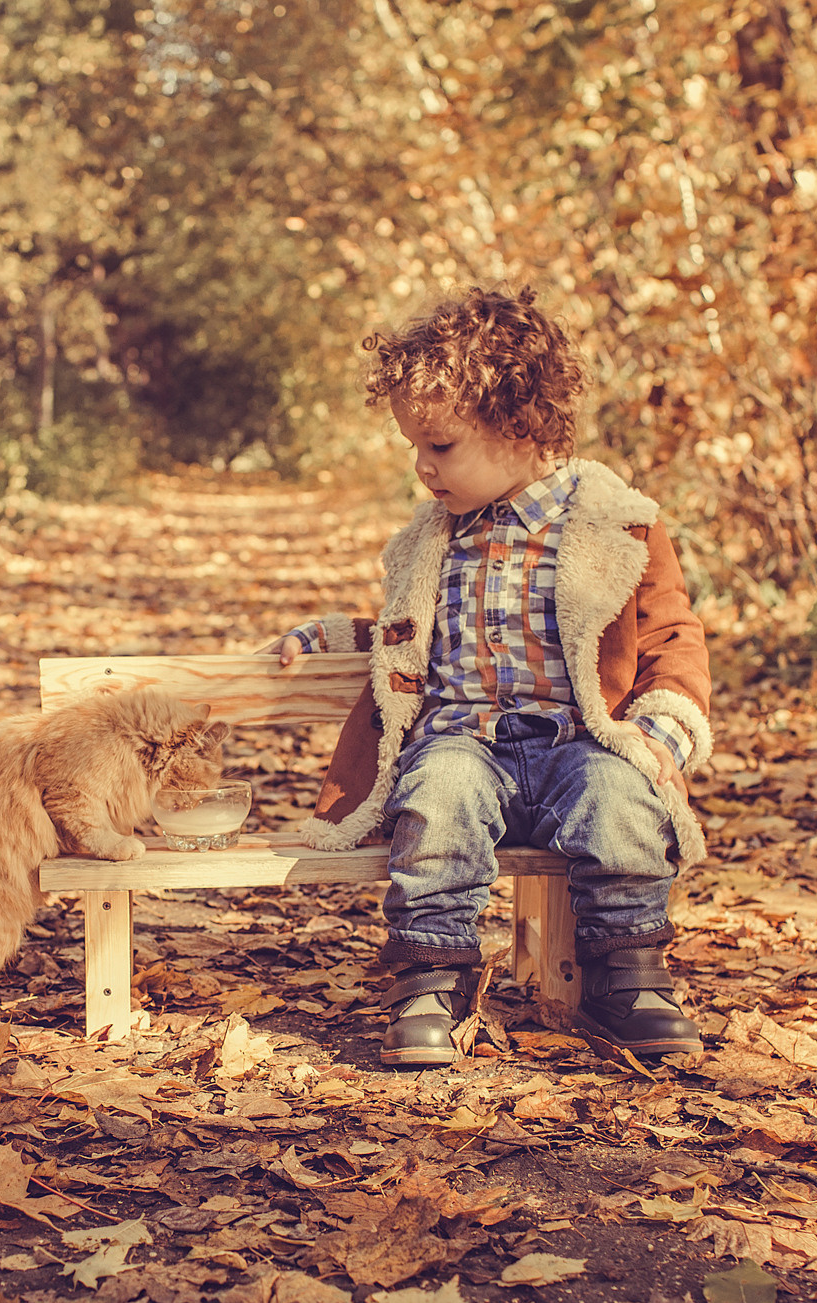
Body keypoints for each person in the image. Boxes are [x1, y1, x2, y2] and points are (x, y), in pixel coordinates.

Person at [269, 286, 713, 1066]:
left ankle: (630, 975)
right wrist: (327, 635)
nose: (421, 467)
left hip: (578, 747)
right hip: (465, 743)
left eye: (440, 447)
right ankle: (433, 975)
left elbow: (672, 636)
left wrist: (659, 734)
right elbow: (405, 638)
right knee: (437, 794)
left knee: (620, 801)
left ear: (517, 426)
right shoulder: (431, 541)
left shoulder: (618, 526)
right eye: (416, 447)